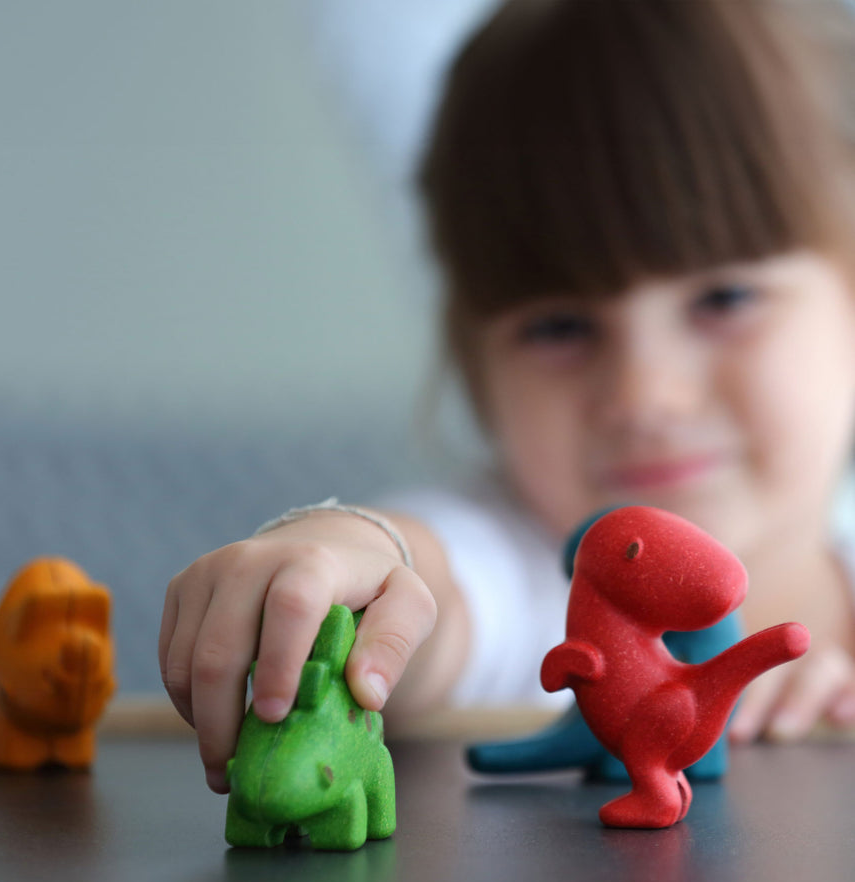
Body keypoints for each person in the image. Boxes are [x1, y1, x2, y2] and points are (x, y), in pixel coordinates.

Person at [160, 0, 855, 793]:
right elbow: (429, 587)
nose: (646, 396)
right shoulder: (517, 576)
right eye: (561, 326)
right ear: (474, 362)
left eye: (725, 299)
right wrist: (341, 557)